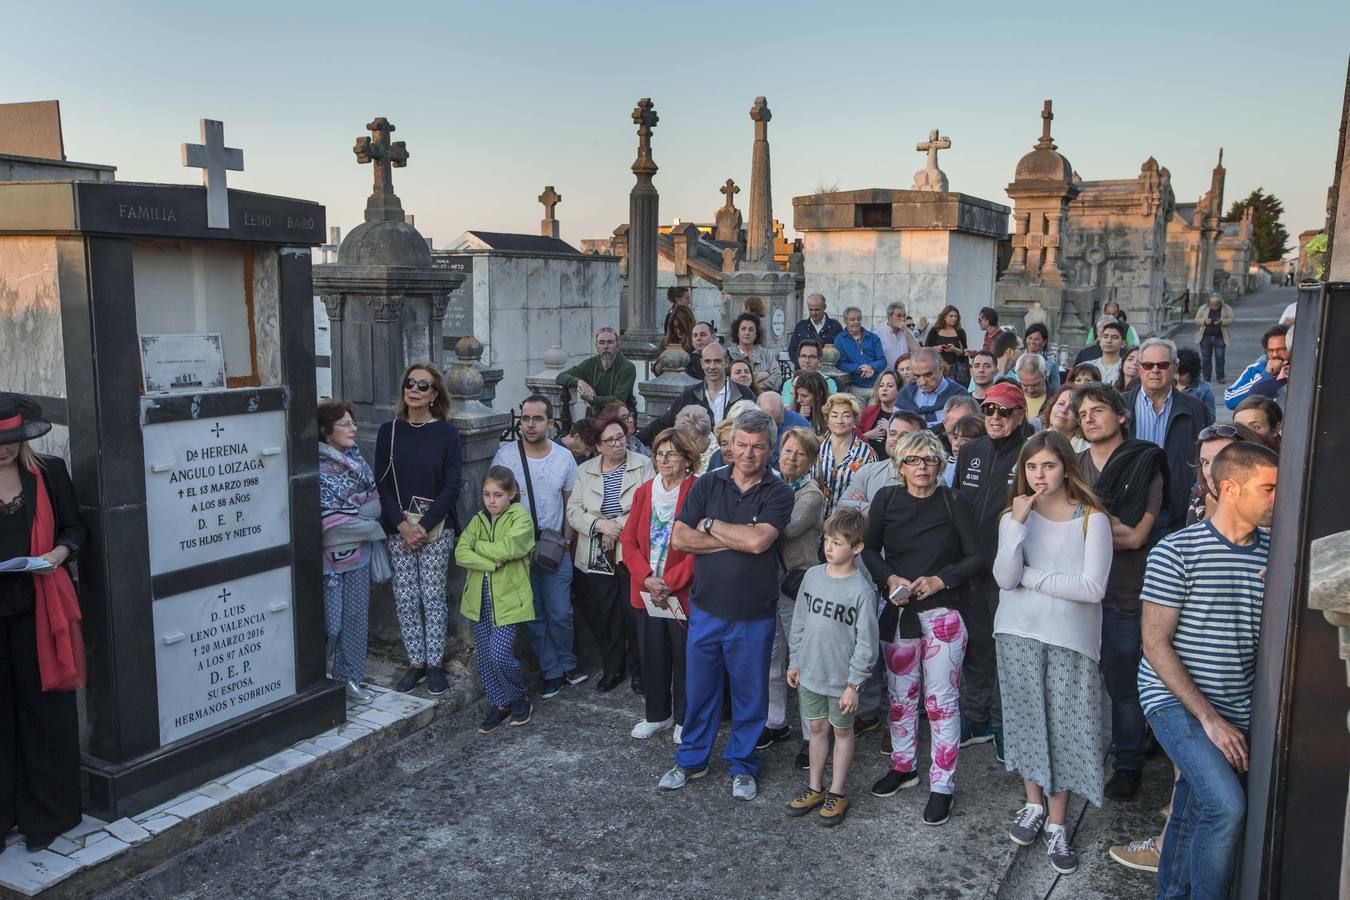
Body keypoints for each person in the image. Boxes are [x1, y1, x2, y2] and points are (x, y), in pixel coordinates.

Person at [1138, 442, 1279, 899]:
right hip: (1174, 699)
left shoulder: (1275, 556)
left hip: (1237, 703)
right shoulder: (1177, 550)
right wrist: (1209, 719)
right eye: (1269, 488)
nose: (1279, 497)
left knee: (1195, 805)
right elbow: (1154, 643)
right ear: (1231, 489)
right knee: (1225, 806)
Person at [658, 410, 794, 801]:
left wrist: (710, 525)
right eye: (741, 445)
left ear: (769, 449)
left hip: (753, 614)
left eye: (757, 446)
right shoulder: (707, 484)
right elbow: (680, 539)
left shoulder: (780, 492)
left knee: (750, 693)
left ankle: (743, 764)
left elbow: (758, 543)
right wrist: (737, 536)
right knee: (699, 689)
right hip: (706, 609)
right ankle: (691, 760)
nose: (748, 453)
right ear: (729, 445)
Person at [994, 431, 1112, 875]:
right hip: (1016, 631)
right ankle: (1032, 804)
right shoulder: (1014, 514)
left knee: (1064, 730)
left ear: (1065, 466)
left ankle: (1058, 824)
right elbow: (1005, 578)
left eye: (1047, 465)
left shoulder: (1091, 518)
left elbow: (1092, 588)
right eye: (1031, 467)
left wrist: (1034, 576)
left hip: (1069, 640)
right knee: (1025, 722)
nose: (1039, 475)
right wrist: (1017, 527)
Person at [862, 430, 982, 826]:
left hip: (944, 613)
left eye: (929, 460)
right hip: (898, 612)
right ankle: (903, 765)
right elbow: (869, 551)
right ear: (900, 465)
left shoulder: (954, 500)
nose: (922, 468)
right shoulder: (886, 499)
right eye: (913, 460)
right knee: (900, 697)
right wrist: (889, 579)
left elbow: (976, 557)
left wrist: (941, 579)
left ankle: (942, 784)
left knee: (941, 701)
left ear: (940, 465)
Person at [1074, 382, 1169, 801]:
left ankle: (1128, 765)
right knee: (1076, 684)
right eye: (1082, 414)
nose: (1089, 418)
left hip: (1124, 595)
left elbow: (1134, 538)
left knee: (1124, 689)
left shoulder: (1144, 461)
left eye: (1098, 410)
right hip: (1076, 595)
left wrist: (1084, 526)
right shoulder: (1072, 464)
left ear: (1121, 416)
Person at [0, 395, 86, 852]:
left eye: (10, 441)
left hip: (38, 608)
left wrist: (56, 554)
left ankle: (47, 813)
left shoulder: (48, 473)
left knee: (44, 713)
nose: (4, 450)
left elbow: (75, 529)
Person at [784, 508, 879, 826]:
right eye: (826, 540)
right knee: (816, 729)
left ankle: (837, 791)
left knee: (842, 731)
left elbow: (867, 643)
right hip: (811, 673)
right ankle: (815, 787)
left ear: (856, 548)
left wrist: (855, 684)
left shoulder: (861, 591)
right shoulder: (811, 577)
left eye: (837, 542)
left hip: (841, 681)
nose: (828, 547)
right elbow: (799, 622)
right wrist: (794, 661)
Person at [375, 362, 463, 695]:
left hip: (436, 528)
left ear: (435, 393)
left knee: (432, 595)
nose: (414, 389)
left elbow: (452, 485)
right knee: (406, 597)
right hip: (399, 528)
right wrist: (401, 525)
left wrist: (422, 527)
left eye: (423, 385)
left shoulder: (447, 432)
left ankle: (436, 662)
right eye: (410, 383)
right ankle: (417, 662)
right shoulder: (390, 431)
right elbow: (380, 484)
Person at [954, 381, 1031, 758]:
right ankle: (976, 716)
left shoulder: (1032, 452)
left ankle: (1004, 723)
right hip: (970, 566)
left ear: (1020, 415)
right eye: (989, 410)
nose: (995, 418)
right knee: (976, 645)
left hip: (1009, 570)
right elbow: (956, 505)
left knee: (1007, 649)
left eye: (1004, 411)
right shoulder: (970, 450)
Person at [492, 395, 587, 698]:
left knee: (561, 611)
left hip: (554, 546)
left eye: (537, 419)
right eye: (525, 419)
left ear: (550, 422)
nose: (530, 425)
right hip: (518, 550)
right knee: (532, 616)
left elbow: (570, 504)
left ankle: (567, 661)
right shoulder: (505, 457)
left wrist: (567, 540)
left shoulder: (563, 458)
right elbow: (495, 502)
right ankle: (551, 671)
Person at [620, 428, 701, 741]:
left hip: (680, 592)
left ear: (686, 458)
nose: (663, 459)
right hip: (646, 592)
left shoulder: (696, 490)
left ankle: (684, 718)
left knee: (683, 657)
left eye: (671, 453)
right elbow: (628, 541)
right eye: (659, 453)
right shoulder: (645, 491)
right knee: (651, 653)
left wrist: (669, 581)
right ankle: (658, 715)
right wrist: (647, 579)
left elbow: (699, 546)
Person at [567, 416, 655, 693]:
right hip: (594, 553)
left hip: (630, 551)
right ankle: (613, 667)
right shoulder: (585, 470)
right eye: (610, 440)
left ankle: (640, 671)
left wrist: (615, 527)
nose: (618, 443)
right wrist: (599, 525)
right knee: (605, 615)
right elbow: (573, 511)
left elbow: (649, 505)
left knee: (634, 614)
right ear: (597, 445)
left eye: (621, 436)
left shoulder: (643, 465)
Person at [456, 466, 536, 733]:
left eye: (498, 495)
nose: (491, 501)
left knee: (499, 654)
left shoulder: (520, 519)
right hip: (478, 601)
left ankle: (519, 696)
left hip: (509, 600)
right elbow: (460, 553)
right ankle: (499, 703)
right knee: (485, 658)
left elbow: (510, 547)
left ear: (512, 494)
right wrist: (490, 562)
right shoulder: (478, 520)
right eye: (487, 494)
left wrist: (477, 547)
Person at [764, 427, 827, 762]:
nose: (792, 458)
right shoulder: (772, 483)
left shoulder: (811, 494)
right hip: (766, 582)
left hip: (796, 583)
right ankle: (775, 722)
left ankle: (810, 734)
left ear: (811, 460)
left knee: (801, 659)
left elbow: (785, 530)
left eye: (800, 453)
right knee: (772, 654)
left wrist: (755, 519)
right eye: (788, 450)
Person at [318, 400, 384, 703]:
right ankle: (316, 679)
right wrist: (361, 520)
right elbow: (327, 520)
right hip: (328, 559)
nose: (353, 428)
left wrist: (355, 517)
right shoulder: (314, 467)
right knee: (329, 623)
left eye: (353, 422)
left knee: (356, 618)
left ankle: (349, 679)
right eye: (345, 424)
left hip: (359, 554)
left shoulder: (358, 461)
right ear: (325, 430)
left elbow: (374, 505)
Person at [1124, 338, 1212, 535]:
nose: (1155, 370)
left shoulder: (1195, 409)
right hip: (1128, 508)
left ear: (1175, 367)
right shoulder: (1120, 406)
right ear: (1139, 368)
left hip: (1175, 513)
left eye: (1163, 365)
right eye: (1148, 365)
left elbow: (1204, 459)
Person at [638, 342, 754, 445]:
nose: (712, 366)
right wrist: (634, 441)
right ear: (702, 364)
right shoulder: (690, 394)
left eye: (717, 361)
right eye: (708, 361)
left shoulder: (743, 393)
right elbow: (664, 422)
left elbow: (760, 422)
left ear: (727, 362)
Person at [837, 413, 926, 514]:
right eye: (892, 433)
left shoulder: (927, 477)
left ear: (920, 442)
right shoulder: (867, 471)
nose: (895, 439)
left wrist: (862, 506)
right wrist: (871, 508)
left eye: (904, 436)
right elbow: (841, 506)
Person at [816, 393, 878, 516]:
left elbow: (873, 494)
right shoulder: (815, 447)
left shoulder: (868, 454)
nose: (840, 421)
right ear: (827, 420)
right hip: (814, 521)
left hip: (848, 523)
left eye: (846, 415)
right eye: (834, 415)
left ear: (855, 419)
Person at [555, 327, 638, 417]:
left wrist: (592, 399)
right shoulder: (590, 364)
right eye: (602, 343)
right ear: (597, 347)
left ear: (617, 346)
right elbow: (561, 377)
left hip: (621, 416)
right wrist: (579, 381)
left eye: (610, 342)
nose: (606, 346)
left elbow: (619, 400)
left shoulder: (628, 367)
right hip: (597, 416)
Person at [895, 347, 969, 428]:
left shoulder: (960, 396)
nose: (922, 382)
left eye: (927, 375)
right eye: (917, 376)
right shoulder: (904, 396)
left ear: (940, 369)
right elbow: (895, 429)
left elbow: (966, 430)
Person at [1224, 324, 1289, 411]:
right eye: (1270, 350)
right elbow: (1230, 400)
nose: (1275, 355)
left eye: (1280, 349)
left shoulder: (1300, 368)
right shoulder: (1255, 369)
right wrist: (1265, 375)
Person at [834, 307, 887, 389]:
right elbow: (840, 364)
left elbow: (882, 360)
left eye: (859, 319)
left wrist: (871, 367)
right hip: (855, 387)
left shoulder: (873, 337)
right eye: (852, 319)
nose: (856, 322)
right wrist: (860, 369)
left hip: (876, 386)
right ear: (845, 321)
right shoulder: (840, 339)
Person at [728, 312, 777, 394]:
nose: (747, 333)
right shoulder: (728, 354)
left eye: (751, 329)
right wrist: (764, 375)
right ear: (737, 332)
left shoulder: (766, 354)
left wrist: (755, 386)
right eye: (743, 329)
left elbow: (777, 377)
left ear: (756, 333)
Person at [788, 292, 844, 363]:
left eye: (817, 310)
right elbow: (792, 350)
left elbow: (841, 351)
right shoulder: (801, 326)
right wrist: (802, 365)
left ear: (824, 307)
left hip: (828, 371)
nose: (813, 313)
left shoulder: (835, 326)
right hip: (805, 371)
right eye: (810, 310)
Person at [857, 370, 902, 457]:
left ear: (899, 390)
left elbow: (910, 442)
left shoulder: (904, 416)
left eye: (890, 386)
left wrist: (890, 429)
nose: (884, 389)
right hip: (868, 462)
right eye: (881, 385)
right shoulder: (869, 411)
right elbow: (853, 438)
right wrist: (867, 435)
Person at [925, 305, 970, 385]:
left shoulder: (960, 332)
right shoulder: (935, 331)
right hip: (938, 368)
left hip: (956, 370)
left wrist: (954, 349)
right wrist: (935, 348)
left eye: (956, 316)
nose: (954, 318)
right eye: (951, 316)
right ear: (944, 317)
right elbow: (926, 349)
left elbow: (964, 353)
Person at [1194, 294, 1233, 383]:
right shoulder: (1203, 308)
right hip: (1205, 337)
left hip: (1220, 337)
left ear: (1220, 302)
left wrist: (1221, 321)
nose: (1214, 305)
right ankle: (1206, 377)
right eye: (1212, 303)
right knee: (1206, 358)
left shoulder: (1226, 308)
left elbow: (1230, 320)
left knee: (1220, 357)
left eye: (1216, 303)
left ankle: (1220, 377)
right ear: (1209, 302)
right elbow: (1196, 320)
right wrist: (1204, 321)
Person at [1039, 385, 1089, 453]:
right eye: (1061, 403)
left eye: (1072, 408)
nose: (1063, 410)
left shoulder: (1088, 451)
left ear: (1080, 419)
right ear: (1051, 407)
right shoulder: (1031, 444)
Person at [652, 304, 696, 376]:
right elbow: (657, 369)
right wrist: (659, 365)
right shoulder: (667, 341)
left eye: (681, 327)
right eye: (675, 327)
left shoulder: (695, 342)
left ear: (688, 326)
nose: (678, 331)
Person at [942, 415, 985, 487]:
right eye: (955, 437)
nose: (956, 443)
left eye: (965, 440)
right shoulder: (946, 469)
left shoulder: (985, 472)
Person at [878, 302, 922, 370]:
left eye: (904, 316)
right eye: (899, 316)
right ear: (889, 317)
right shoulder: (878, 333)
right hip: (887, 375)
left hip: (905, 375)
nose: (902, 319)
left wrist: (905, 330)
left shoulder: (907, 332)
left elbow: (918, 351)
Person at [1174, 349, 1215, 420]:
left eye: (1182, 374)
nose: (1178, 378)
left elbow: (1210, 418)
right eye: (1175, 373)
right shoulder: (1167, 386)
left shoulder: (1204, 389)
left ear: (1192, 371)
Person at [674, 406, 714, 472]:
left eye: (692, 440)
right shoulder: (677, 449)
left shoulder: (716, 457)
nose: (686, 446)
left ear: (704, 436)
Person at [1023, 323, 1061, 391]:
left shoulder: (1051, 363)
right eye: (1030, 338)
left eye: (1036, 339)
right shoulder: (1018, 359)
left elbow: (1056, 389)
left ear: (1044, 342)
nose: (1032, 342)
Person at [1087, 319, 1126, 386]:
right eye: (1105, 337)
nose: (1109, 341)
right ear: (1100, 341)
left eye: (1114, 337)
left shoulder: (1127, 368)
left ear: (1122, 343)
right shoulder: (1087, 366)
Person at [1015, 353, 1051, 423]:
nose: (1030, 390)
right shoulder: (1011, 397)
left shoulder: (1056, 399)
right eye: (1025, 385)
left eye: (1035, 385)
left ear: (1045, 374)